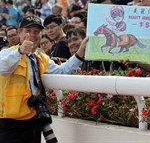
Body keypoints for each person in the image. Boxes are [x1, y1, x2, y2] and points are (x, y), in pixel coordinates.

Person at [0, 15, 88, 143]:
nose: (33, 35)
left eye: (36, 32)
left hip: (33, 121)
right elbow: (3, 68)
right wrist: (20, 51)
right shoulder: (7, 53)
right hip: (9, 122)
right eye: (28, 31)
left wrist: (80, 52)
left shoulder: (41, 58)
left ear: (41, 34)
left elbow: (62, 71)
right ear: (20, 33)